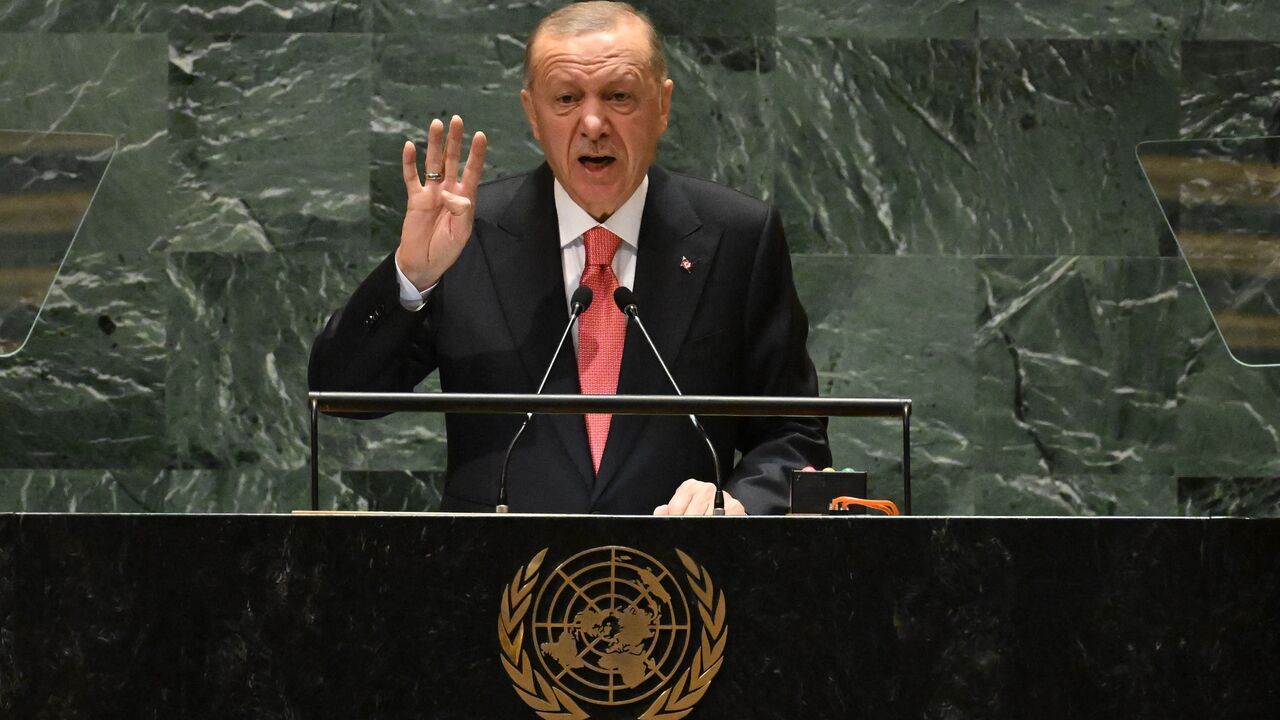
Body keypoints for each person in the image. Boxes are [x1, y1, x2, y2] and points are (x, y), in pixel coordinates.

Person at [309, 1, 830, 515]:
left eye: (619, 96)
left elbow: (793, 433)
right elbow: (341, 396)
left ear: (664, 106)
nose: (594, 122)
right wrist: (413, 277)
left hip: (677, 583)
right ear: (532, 113)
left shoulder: (737, 236)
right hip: (497, 581)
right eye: (565, 99)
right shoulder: (467, 233)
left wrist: (735, 501)